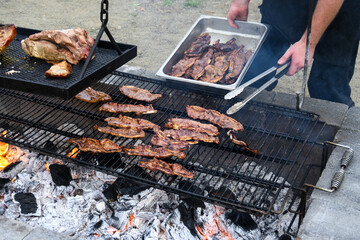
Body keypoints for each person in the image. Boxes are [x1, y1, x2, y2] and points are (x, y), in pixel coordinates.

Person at [227, 0, 360, 107]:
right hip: (281, 7)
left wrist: (308, 42)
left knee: (328, 90)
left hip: (336, 15)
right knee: (256, 73)